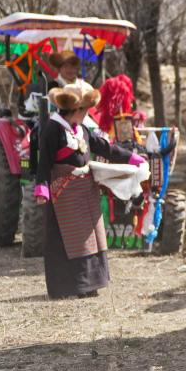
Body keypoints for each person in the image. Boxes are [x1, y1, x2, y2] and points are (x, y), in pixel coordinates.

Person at [33, 80, 145, 299]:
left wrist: (131, 157)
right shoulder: (53, 128)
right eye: (85, 110)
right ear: (76, 109)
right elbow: (44, 160)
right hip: (64, 193)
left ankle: (91, 284)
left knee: (93, 236)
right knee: (72, 238)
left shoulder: (81, 128)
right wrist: (42, 188)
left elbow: (103, 147)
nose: (87, 114)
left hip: (86, 190)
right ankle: (71, 286)